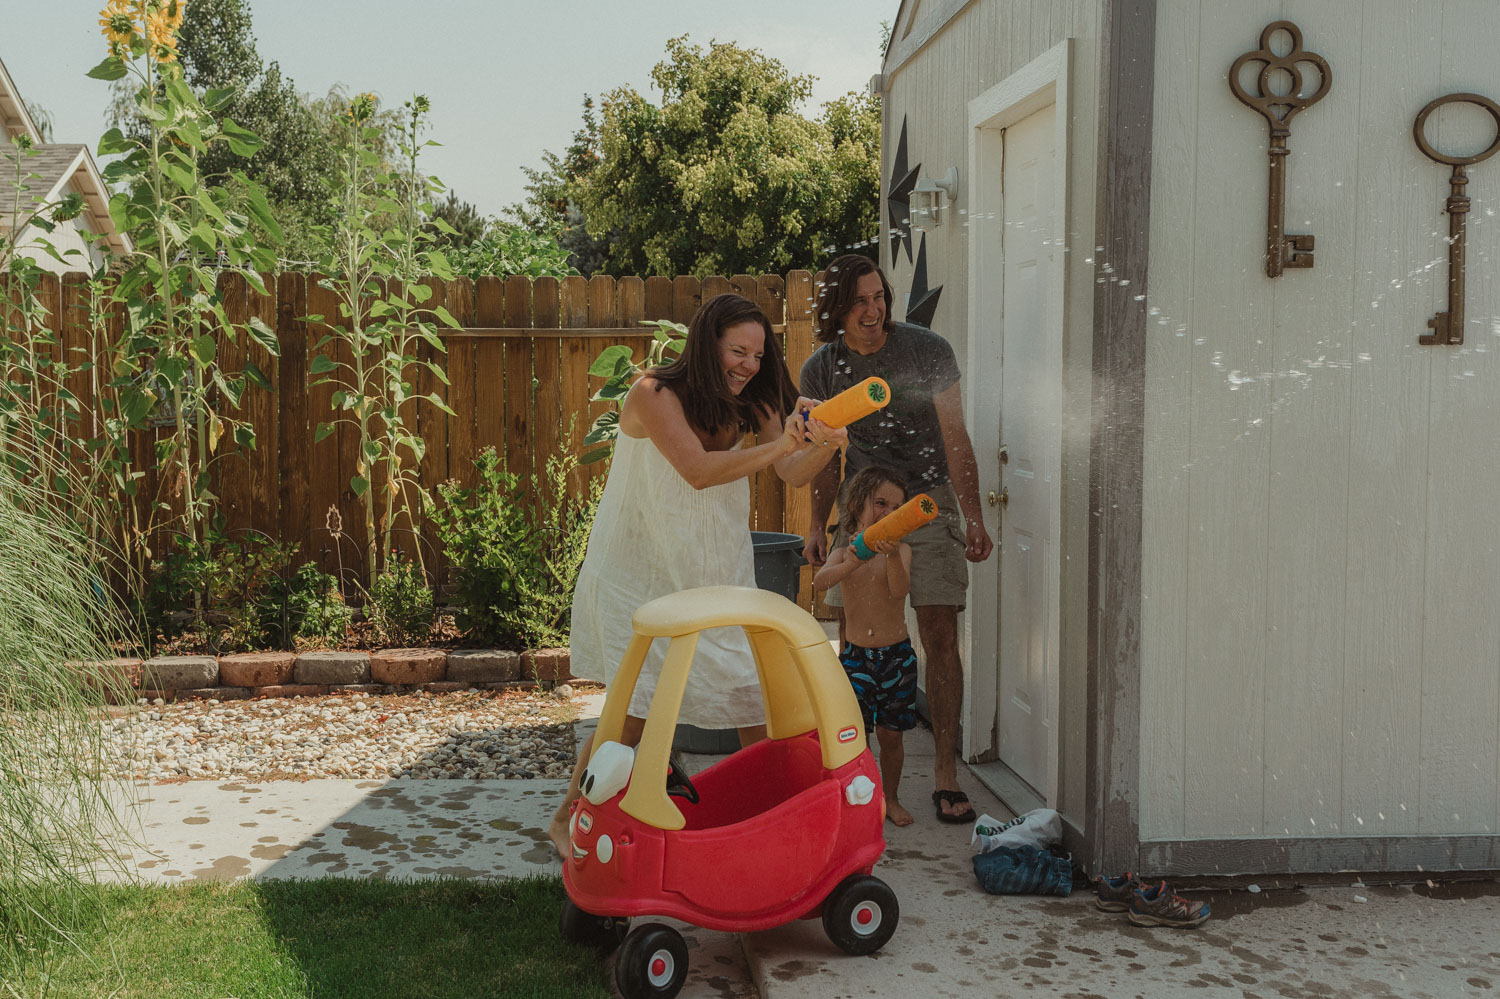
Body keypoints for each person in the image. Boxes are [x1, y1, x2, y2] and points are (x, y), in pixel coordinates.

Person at [549, 292, 844, 858]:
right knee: (632, 716)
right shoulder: (652, 393)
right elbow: (697, 471)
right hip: (639, 574)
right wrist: (783, 442)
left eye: (758, 356)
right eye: (739, 352)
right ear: (707, 346)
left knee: (749, 698)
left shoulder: (753, 400)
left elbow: (791, 470)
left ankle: (775, 826)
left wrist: (825, 445)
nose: (750, 367)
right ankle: (567, 820)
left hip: (712, 573)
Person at [800, 254, 994, 826]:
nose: (873, 309)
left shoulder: (925, 350)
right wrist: (817, 526)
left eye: (878, 296)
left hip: (928, 499)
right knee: (856, 641)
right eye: (859, 300)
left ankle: (944, 775)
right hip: (862, 507)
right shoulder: (823, 368)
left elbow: (956, 438)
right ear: (838, 310)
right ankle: (853, 773)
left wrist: (975, 519)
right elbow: (821, 456)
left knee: (938, 631)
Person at [813, 466, 917, 826]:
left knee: (892, 736)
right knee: (856, 736)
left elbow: (899, 591)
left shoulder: (901, 551)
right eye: (881, 503)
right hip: (856, 658)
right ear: (858, 505)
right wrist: (853, 561)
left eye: (898, 507)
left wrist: (888, 556)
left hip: (896, 658)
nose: (889, 513)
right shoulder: (844, 553)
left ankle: (892, 797)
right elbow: (820, 581)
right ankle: (862, 798)